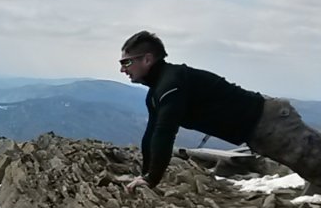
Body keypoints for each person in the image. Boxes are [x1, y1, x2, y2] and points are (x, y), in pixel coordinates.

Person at [119, 30, 321, 194]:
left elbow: (164, 133)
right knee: (312, 167)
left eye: (126, 62)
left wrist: (151, 179)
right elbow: (151, 136)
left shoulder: (171, 85)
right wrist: (145, 177)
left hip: (271, 123)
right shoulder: (158, 92)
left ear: (147, 59)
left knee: (315, 164)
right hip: (261, 131)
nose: (123, 69)